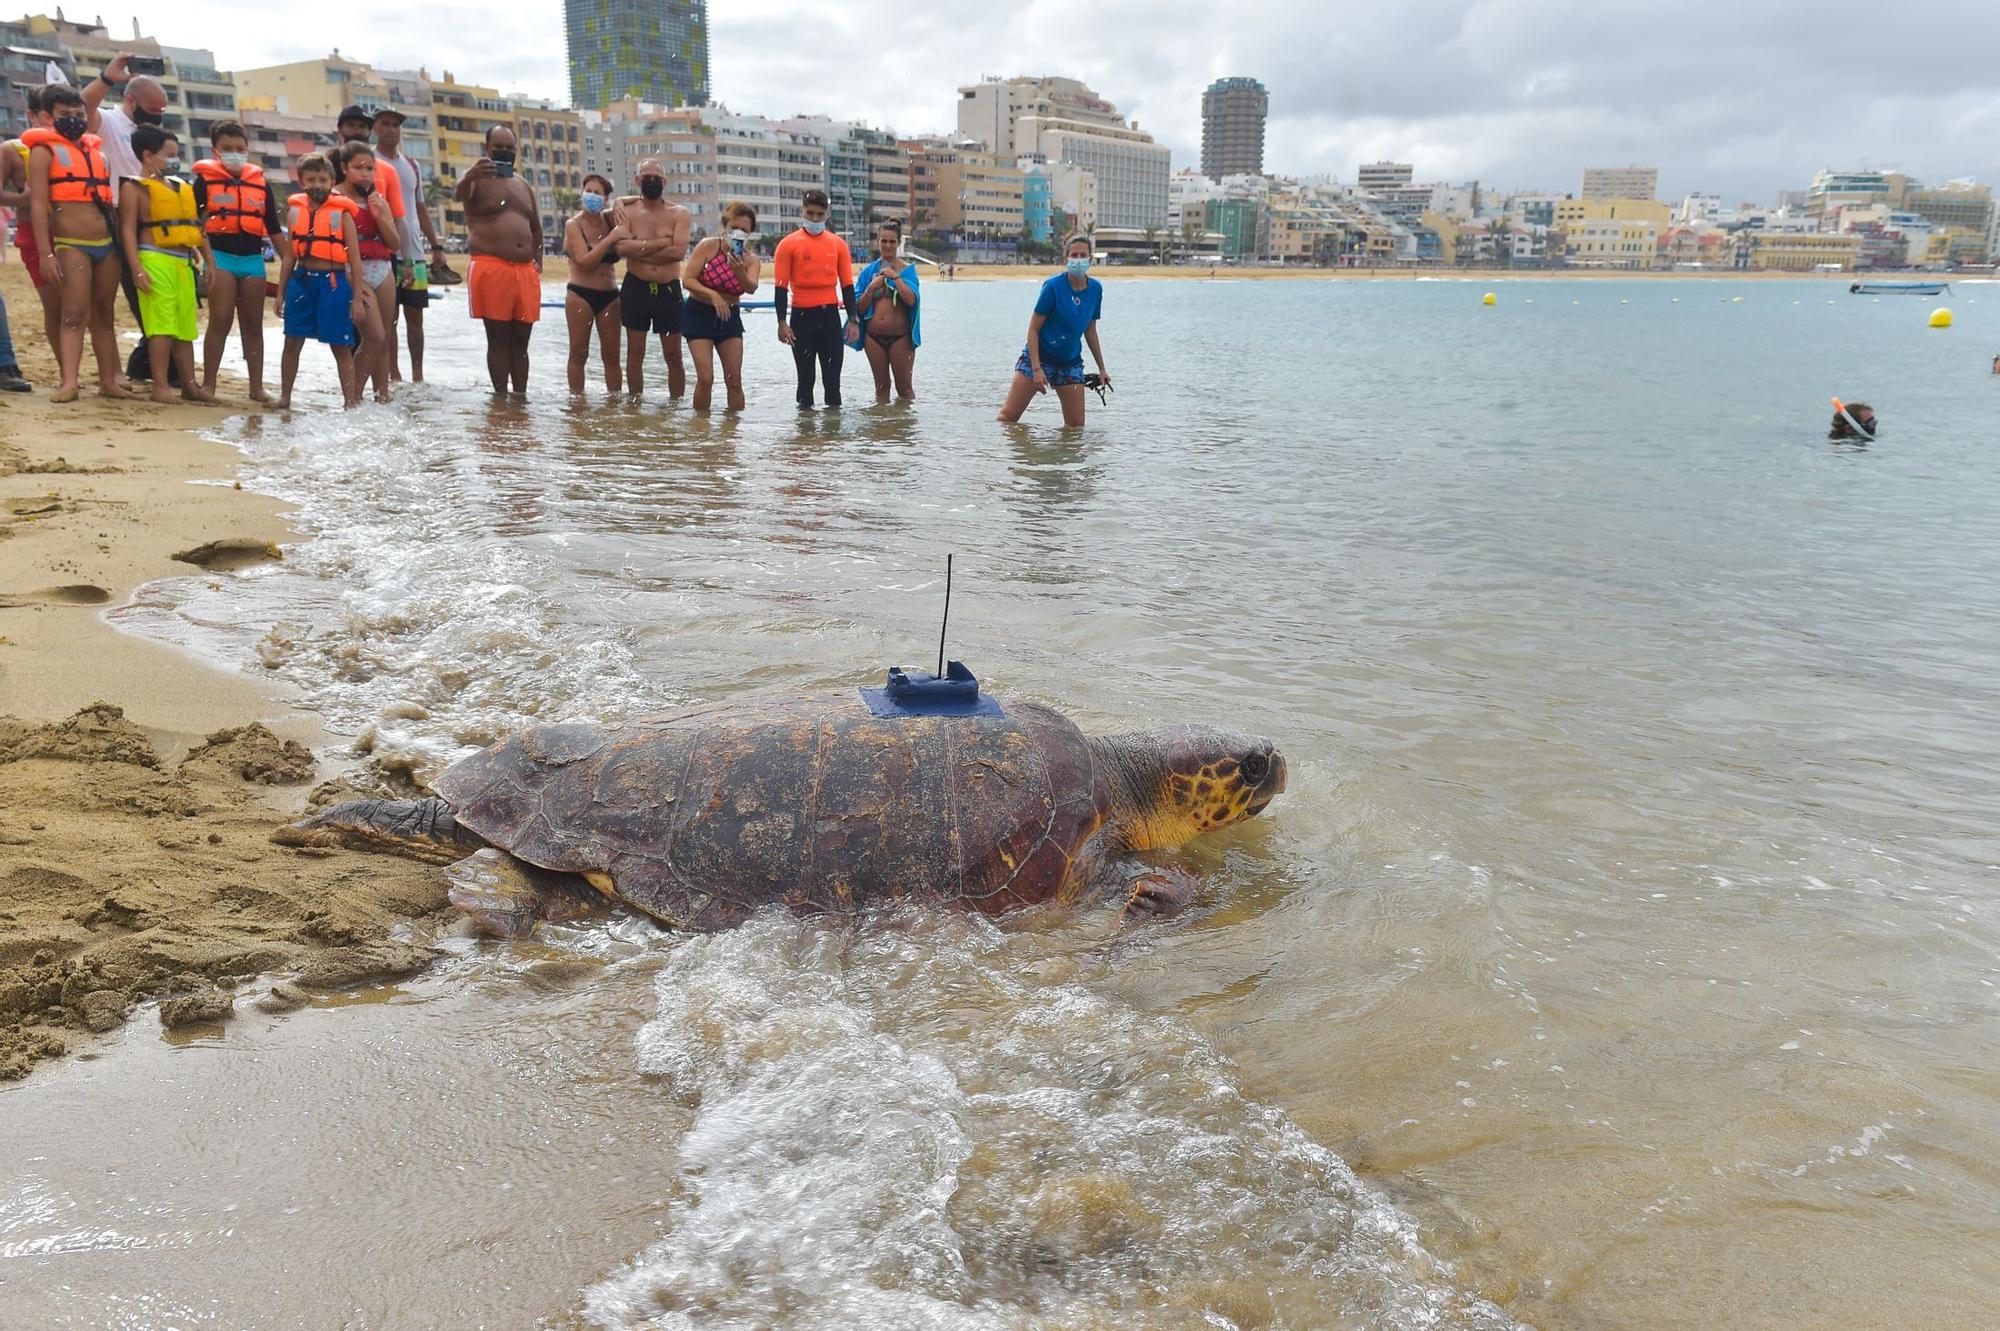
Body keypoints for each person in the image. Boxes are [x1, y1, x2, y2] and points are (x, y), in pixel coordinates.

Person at [27, 84, 129, 402]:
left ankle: (109, 380)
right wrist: (46, 253)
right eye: (64, 114)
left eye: (78, 113)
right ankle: (69, 381)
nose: (74, 118)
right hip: (71, 244)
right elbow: (38, 206)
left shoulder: (97, 153)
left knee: (104, 314)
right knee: (72, 314)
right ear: (47, 117)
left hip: (106, 244)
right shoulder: (43, 152)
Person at [118, 124, 214, 404]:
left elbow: (197, 227)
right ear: (149, 155)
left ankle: (189, 385)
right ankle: (160, 386)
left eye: (177, 154)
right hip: (154, 260)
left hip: (183, 263)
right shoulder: (134, 188)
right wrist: (136, 267)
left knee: (185, 328)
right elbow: (127, 230)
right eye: (169, 154)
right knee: (161, 327)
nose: (175, 159)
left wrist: (209, 260)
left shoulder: (181, 187)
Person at [192, 119, 280, 400]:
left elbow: (275, 230)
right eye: (227, 148)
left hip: (252, 259)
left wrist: (292, 260)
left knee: (253, 324)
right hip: (220, 257)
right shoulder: (204, 182)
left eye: (239, 148)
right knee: (220, 319)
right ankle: (209, 384)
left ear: (247, 149)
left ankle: (256, 387)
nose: (234, 153)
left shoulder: (261, 184)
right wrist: (204, 258)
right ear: (215, 150)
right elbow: (195, 223)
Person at [453, 124, 541, 395]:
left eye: (509, 148)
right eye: (498, 147)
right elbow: (457, 195)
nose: (503, 152)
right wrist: (470, 175)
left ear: (516, 151)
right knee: (499, 339)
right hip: (491, 265)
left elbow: (536, 227)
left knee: (522, 343)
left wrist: (538, 260)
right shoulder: (476, 180)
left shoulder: (522, 184)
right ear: (486, 148)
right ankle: (501, 399)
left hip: (525, 269)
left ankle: (520, 399)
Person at [275, 151, 366, 410]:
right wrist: (281, 293)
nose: (317, 185)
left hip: (333, 282)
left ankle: (349, 403)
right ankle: (285, 398)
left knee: (340, 344)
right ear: (301, 182)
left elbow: (356, 261)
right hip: (302, 281)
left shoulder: (342, 213)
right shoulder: (295, 213)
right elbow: (289, 257)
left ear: (331, 181)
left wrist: (357, 298)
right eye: (311, 179)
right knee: (292, 340)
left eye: (323, 180)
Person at [997, 232, 1109, 426]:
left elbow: (1090, 331)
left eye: (1083, 255)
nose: (1078, 259)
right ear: (1066, 258)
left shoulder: (1096, 289)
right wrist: (1036, 369)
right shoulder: (1053, 287)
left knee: (1075, 428)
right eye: (1074, 255)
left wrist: (1101, 368)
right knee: (1008, 417)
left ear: (1090, 258)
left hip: (1070, 362)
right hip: (1039, 357)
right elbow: (1033, 329)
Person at [372, 106, 443, 383]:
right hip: (384, 252)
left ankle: (418, 375)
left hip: (413, 253)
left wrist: (436, 246)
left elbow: (420, 208)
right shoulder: (370, 161)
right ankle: (393, 373)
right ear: (375, 128)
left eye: (396, 125)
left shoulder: (411, 165)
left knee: (416, 317)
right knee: (389, 318)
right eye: (385, 124)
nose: (391, 129)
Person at [611, 157, 690, 399]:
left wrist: (640, 248)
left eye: (657, 177)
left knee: (674, 355)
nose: (652, 181)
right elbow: (621, 249)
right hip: (637, 288)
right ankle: (635, 407)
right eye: (647, 177)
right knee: (635, 353)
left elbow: (677, 252)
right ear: (638, 180)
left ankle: (676, 407)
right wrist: (661, 244)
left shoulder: (679, 213)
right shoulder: (628, 211)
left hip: (668, 290)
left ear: (664, 181)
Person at [772, 187, 855, 410]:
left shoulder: (838, 244)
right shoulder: (788, 244)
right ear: (803, 212)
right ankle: (805, 438)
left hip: (830, 318)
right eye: (810, 213)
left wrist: (854, 320)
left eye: (819, 214)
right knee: (806, 382)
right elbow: (780, 287)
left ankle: (832, 440)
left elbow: (847, 285)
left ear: (826, 215)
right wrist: (782, 322)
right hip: (802, 319)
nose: (815, 218)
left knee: (832, 383)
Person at [679, 200, 760, 414]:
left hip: (729, 317)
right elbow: (687, 280)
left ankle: (732, 435)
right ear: (725, 226)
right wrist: (712, 295)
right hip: (699, 312)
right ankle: (701, 428)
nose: (738, 233)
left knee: (734, 379)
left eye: (744, 230)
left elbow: (751, 287)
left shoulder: (751, 260)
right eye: (734, 228)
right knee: (706, 379)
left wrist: (740, 270)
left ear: (750, 233)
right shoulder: (708, 246)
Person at [333, 141, 398, 404]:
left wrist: (380, 215)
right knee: (374, 336)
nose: (365, 174)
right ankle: (353, 399)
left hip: (382, 269)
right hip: (351, 270)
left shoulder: (378, 200)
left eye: (370, 168)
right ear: (343, 168)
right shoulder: (335, 198)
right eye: (358, 167)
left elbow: (395, 244)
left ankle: (382, 397)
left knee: (384, 339)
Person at [3, 85, 59, 384]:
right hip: (32, 234)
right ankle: (66, 372)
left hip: (71, 234)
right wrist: (25, 199)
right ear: (33, 115)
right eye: (51, 115)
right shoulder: (12, 150)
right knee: (55, 307)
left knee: (81, 309)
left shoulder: (72, 148)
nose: (56, 122)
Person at [563, 173, 622, 394]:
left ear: (606, 198)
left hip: (610, 295)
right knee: (579, 352)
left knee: (612, 356)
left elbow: (634, 202)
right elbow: (585, 261)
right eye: (588, 191)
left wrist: (622, 201)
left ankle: (615, 405)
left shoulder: (609, 219)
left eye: (597, 193)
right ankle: (577, 402)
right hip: (581, 294)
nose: (591, 196)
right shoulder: (573, 224)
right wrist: (611, 239)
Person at [850, 217, 919, 403]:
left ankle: (903, 430)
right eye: (884, 241)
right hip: (873, 338)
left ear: (898, 243)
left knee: (904, 390)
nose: (887, 245)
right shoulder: (868, 272)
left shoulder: (908, 271)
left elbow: (912, 300)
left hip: (901, 338)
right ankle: (881, 430)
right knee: (881, 389)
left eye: (892, 241)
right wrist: (871, 288)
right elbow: (859, 309)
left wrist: (896, 278)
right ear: (878, 242)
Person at [81, 54, 167, 190]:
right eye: (152, 109)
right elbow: (82, 107)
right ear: (130, 100)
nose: (157, 115)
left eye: (161, 111)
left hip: (148, 204)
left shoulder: (154, 134)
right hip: (115, 205)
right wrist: (107, 78)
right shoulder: (108, 121)